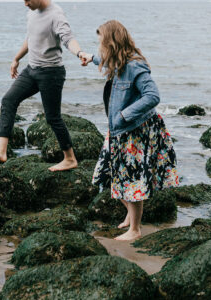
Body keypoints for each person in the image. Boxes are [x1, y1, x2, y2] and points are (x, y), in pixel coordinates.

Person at [80, 20, 179, 241]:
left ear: (111, 43)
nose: (100, 48)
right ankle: (130, 215)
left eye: (101, 44)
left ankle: (134, 229)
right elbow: (107, 64)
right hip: (118, 131)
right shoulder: (118, 62)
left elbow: (152, 96)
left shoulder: (134, 65)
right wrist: (90, 57)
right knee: (106, 175)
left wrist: (125, 115)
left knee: (132, 179)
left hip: (134, 131)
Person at [0, 0, 85, 171]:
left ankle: (70, 158)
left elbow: (68, 38)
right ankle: (1, 150)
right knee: (8, 100)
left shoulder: (56, 14)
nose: (25, 3)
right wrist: (16, 58)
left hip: (51, 73)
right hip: (31, 70)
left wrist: (80, 53)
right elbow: (31, 38)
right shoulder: (31, 12)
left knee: (53, 118)